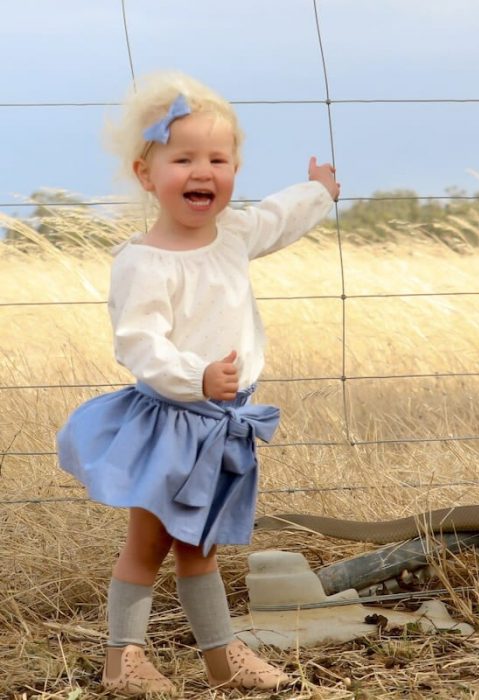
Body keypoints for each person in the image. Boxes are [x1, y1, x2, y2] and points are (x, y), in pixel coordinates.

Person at [57, 71, 339, 695]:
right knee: (148, 543)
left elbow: (276, 219)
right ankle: (121, 660)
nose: (202, 171)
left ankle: (220, 657)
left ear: (234, 167)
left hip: (222, 421)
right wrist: (197, 375)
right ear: (145, 174)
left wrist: (317, 192)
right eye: (182, 159)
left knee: (200, 548)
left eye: (218, 158)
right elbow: (139, 342)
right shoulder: (144, 261)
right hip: (173, 421)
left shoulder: (233, 234)